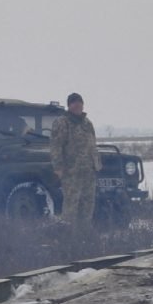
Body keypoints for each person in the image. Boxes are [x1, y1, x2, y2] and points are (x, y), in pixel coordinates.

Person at [49, 92, 100, 231]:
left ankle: (84, 235)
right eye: (74, 103)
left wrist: (96, 165)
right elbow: (56, 146)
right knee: (71, 206)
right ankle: (69, 236)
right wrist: (58, 167)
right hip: (71, 173)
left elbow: (93, 145)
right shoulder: (62, 122)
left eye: (80, 103)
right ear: (69, 105)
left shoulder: (87, 123)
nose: (77, 105)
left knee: (88, 205)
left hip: (88, 172)